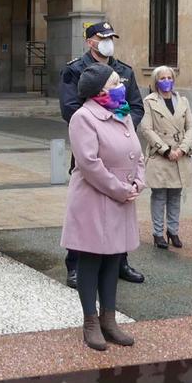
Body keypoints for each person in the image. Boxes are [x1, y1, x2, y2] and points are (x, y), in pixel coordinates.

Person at [61, 63, 143, 350]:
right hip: (94, 199)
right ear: (99, 90)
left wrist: (138, 182)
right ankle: (91, 322)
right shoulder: (83, 117)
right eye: (115, 82)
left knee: (113, 259)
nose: (121, 85)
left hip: (121, 197)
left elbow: (137, 153)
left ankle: (110, 319)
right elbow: (89, 164)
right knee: (91, 260)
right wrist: (120, 189)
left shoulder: (122, 115)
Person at [59, 21, 145, 288]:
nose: (108, 41)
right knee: (88, 213)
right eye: (102, 37)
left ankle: (120, 261)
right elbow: (70, 108)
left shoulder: (124, 71)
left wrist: (122, 130)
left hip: (121, 153)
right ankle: (76, 264)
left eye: (111, 37)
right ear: (90, 42)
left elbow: (136, 107)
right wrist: (101, 127)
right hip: (92, 149)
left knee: (121, 207)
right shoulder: (75, 70)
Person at [141, 65, 192, 249]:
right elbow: (146, 129)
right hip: (161, 156)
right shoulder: (149, 101)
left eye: (169, 77)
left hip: (180, 155)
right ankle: (158, 233)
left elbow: (191, 127)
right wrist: (165, 150)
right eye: (162, 78)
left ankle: (173, 231)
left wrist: (183, 149)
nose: (166, 81)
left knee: (175, 195)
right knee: (159, 195)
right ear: (156, 81)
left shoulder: (183, 101)